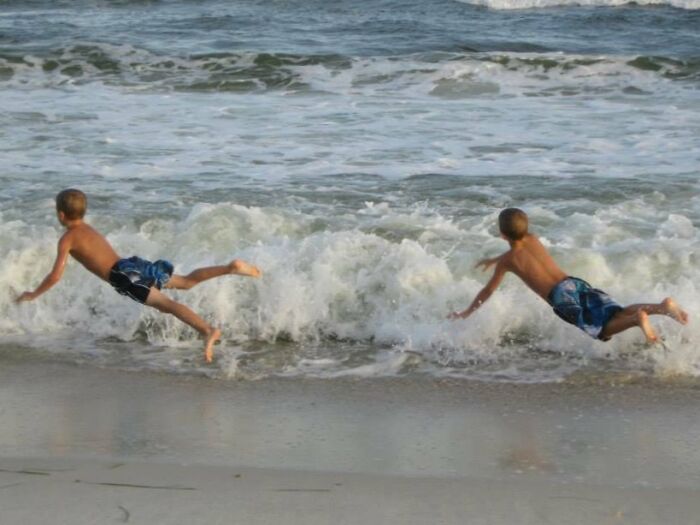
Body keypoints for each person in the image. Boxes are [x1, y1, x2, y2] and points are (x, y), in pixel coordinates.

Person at [15, 189, 261, 362]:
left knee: (169, 305)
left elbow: (56, 275)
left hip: (122, 276)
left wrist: (33, 294)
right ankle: (230, 268)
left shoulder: (68, 238)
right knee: (186, 282)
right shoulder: (89, 229)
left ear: (60, 215)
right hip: (131, 264)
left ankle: (207, 330)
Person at [448, 208, 688, 343]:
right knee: (613, 310)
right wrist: (496, 258)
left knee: (603, 330)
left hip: (562, 298)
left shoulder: (507, 262)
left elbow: (488, 290)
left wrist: (466, 312)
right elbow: (520, 245)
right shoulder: (532, 239)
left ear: (501, 235)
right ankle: (662, 307)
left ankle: (638, 319)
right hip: (573, 283)